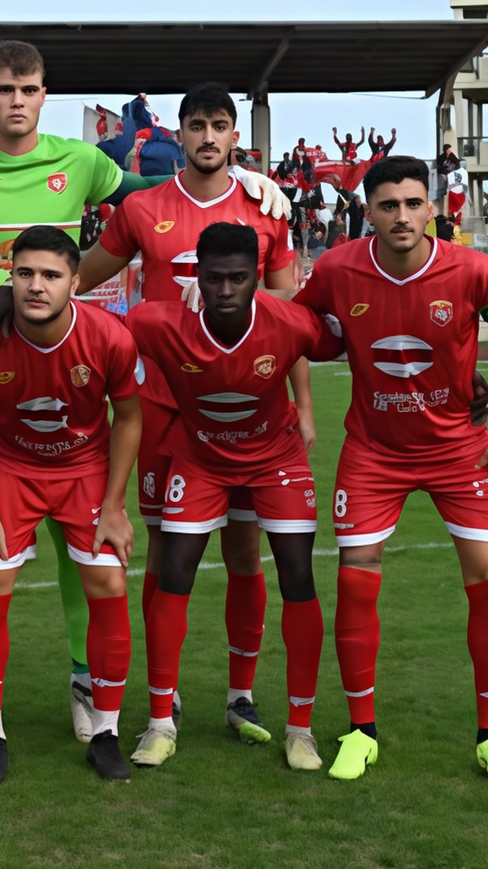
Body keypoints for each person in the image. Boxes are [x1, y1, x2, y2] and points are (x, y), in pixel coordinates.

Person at [0, 41, 289, 740]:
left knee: (85, 546)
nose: (18, 100)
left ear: (45, 95)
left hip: (63, 361)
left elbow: (162, 197)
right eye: (6, 89)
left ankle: (82, 677)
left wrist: (251, 181)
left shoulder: (80, 162)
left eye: (31, 89)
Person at [75, 82, 317, 742]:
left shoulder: (267, 208)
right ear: (177, 134)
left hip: (247, 410)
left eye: (219, 125)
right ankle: (166, 695)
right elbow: (79, 278)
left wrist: (302, 402)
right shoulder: (142, 207)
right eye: (196, 125)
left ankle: (241, 695)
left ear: (236, 135)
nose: (207, 136)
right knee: (165, 552)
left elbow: (289, 319)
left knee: (245, 550)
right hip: (159, 404)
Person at [292, 155, 488, 785]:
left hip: (461, 449)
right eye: (388, 205)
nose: (402, 216)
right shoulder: (338, 267)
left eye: (412, 204)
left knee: (487, 576)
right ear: (366, 212)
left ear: (432, 208)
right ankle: (361, 731)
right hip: (373, 451)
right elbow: (300, 328)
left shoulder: (474, 269)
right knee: (356, 576)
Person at [127, 222, 343, 771]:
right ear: (198, 277)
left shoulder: (290, 322)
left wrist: (461, 378)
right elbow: (85, 332)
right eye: (215, 278)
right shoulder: (158, 322)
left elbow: (356, 337)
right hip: (200, 460)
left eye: (239, 279)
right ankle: (158, 722)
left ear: (256, 280)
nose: (225, 291)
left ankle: (300, 729)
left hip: (276, 461)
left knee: (297, 578)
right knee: (173, 570)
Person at [0, 226, 141, 783]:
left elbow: (129, 418)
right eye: (26, 274)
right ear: (10, 276)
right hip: (10, 469)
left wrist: (115, 505)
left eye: (52, 276)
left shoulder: (109, 337)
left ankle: (105, 732)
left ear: (75, 282)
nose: (37, 286)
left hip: (84, 471)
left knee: (108, 581)